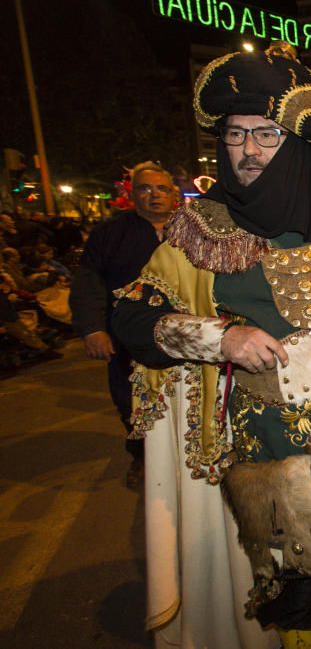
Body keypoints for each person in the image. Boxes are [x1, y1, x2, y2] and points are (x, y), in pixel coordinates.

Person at [112, 42, 311, 649]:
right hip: (266, 443)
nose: (247, 150)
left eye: (266, 134)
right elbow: (131, 314)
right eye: (235, 135)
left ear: (296, 141)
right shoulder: (200, 227)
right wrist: (219, 337)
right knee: (292, 564)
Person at [70, 161, 174, 488]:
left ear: (173, 194)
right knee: (131, 402)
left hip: (183, 339)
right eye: (145, 188)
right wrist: (92, 328)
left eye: (162, 189)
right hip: (128, 341)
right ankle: (143, 458)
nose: (154, 195)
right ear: (132, 194)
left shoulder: (192, 232)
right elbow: (88, 281)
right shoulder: (111, 234)